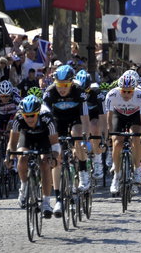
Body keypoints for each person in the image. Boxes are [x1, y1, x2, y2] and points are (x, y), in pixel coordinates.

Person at [43, 64, 90, 217]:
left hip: (75, 119)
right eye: (59, 85)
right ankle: (58, 199)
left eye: (65, 85)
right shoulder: (50, 93)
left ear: (71, 83)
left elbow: (85, 117)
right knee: (57, 158)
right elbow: (45, 118)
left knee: (77, 135)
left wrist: (85, 136)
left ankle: (83, 173)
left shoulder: (78, 91)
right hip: (57, 120)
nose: (62, 88)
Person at [6, 95, 59, 217]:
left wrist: (54, 157)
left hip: (44, 138)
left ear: (38, 113)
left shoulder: (47, 117)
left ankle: (46, 202)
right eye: (26, 116)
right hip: (27, 137)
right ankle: (24, 186)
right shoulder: (18, 118)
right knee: (22, 157)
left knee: (45, 163)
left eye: (32, 116)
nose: (29, 119)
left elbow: (55, 144)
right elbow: (12, 143)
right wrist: (9, 157)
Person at [105, 73, 141, 194]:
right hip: (118, 116)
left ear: (135, 89)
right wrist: (109, 134)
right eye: (124, 91)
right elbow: (109, 119)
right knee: (117, 142)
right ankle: (117, 176)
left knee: (136, 138)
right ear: (119, 89)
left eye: (130, 92)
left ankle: (137, 170)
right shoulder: (112, 95)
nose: (127, 94)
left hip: (135, 116)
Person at [0, 80, 21, 184]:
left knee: (12, 133)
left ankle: (13, 162)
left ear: (11, 94)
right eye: (2, 96)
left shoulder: (16, 97)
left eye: (7, 96)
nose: (5, 98)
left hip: (12, 115)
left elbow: (20, 113)